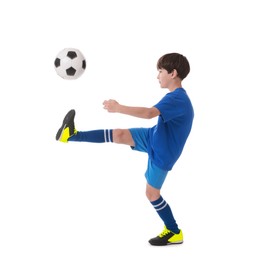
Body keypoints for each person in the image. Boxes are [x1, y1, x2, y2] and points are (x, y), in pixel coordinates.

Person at [56, 53, 194, 246]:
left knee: (152, 194)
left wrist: (118, 107)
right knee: (119, 135)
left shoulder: (178, 98)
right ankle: (71, 134)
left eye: (160, 71)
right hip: (154, 136)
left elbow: (148, 113)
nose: (157, 76)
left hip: (163, 153)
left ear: (173, 73)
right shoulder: (174, 96)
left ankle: (173, 231)